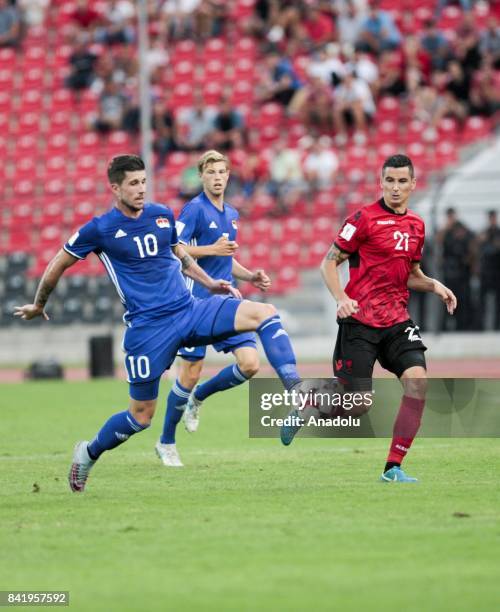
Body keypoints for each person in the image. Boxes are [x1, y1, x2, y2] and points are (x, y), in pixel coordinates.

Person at [14, 155, 305, 493]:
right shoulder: (100, 229)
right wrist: (39, 303)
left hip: (188, 309)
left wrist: (208, 283)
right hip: (148, 329)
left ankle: (296, 392)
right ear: (115, 187)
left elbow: (179, 254)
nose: (141, 190)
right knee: (140, 417)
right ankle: (89, 452)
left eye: (143, 182)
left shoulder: (162, 214)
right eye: (133, 184)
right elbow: (59, 263)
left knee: (264, 312)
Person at [281, 155, 457, 483]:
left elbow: (409, 274)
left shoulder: (417, 225)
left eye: (402, 181)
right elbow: (328, 263)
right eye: (389, 180)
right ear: (381, 182)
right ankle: (311, 402)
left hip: (396, 321)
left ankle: (393, 468)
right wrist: (342, 298)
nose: (395, 187)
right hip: (359, 322)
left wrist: (435, 286)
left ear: (413, 184)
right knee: (358, 405)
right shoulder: (363, 219)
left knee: (417, 383)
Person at [158, 150, 271, 466]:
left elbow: (225, 258)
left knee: (250, 365)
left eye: (222, 172)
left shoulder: (232, 213)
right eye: (211, 172)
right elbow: (173, 248)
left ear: (229, 175)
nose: (218, 177)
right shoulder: (193, 209)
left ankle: (200, 398)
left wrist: (251, 275)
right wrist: (212, 248)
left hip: (227, 302)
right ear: (202, 176)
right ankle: (166, 442)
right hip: (198, 302)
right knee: (189, 373)